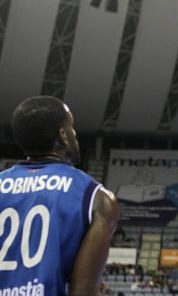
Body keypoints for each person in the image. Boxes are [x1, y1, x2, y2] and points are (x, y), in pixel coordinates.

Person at [0, 96, 119, 295]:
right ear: (63, 136)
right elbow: (83, 291)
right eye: (71, 127)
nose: (74, 134)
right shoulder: (97, 198)